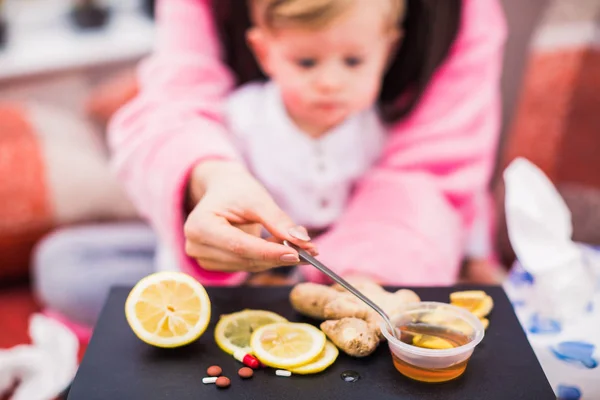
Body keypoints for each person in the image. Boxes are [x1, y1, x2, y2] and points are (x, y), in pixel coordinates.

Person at [33, 0, 506, 340]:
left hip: (350, 266)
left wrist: (473, 255)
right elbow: (169, 111)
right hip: (245, 267)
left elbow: (446, 185)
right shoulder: (241, 118)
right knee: (62, 263)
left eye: (353, 61)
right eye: (306, 61)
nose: (330, 81)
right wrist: (210, 181)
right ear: (264, 52)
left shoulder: (379, 127)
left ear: (390, 49)